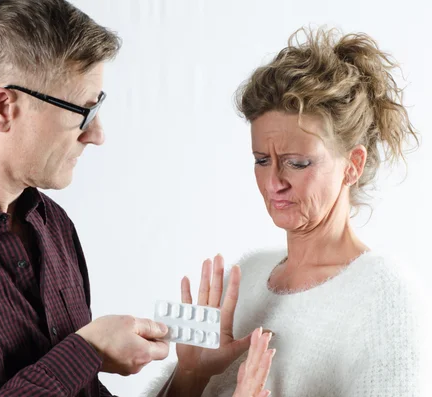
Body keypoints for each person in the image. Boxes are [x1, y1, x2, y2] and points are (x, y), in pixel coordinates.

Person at [0, 1, 273, 396]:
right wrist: (84, 351)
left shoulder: (51, 224)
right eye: (84, 112)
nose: (97, 135)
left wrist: (190, 378)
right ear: (3, 108)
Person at [147, 27, 424, 396]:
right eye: (262, 160)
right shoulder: (246, 277)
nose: (274, 182)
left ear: (352, 164)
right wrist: (189, 378)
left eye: (297, 163)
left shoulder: (385, 297)